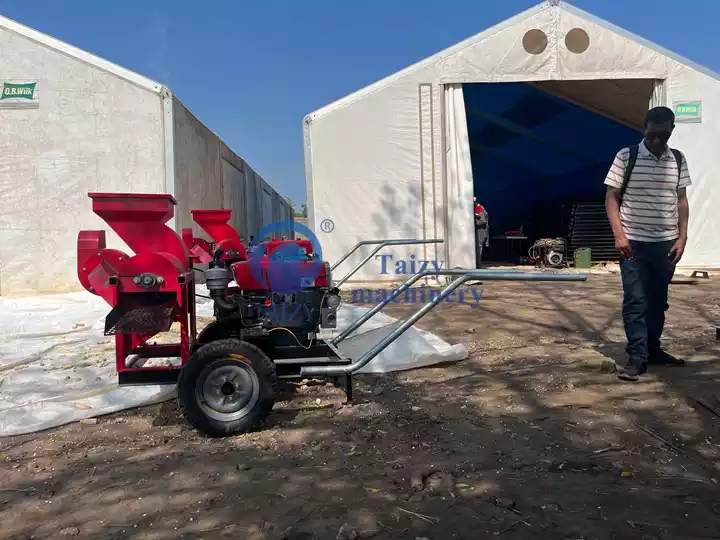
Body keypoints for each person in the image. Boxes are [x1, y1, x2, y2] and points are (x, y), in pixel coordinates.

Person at [604, 106, 691, 382]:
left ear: (671, 131)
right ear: (644, 129)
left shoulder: (677, 160)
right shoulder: (626, 156)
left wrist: (682, 237)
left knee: (658, 302)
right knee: (636, 300)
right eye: (652, 135)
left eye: (663, 136)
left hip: (665, 244)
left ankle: (653, 349)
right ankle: (637, 357)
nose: (657, 141)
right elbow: (611, 197)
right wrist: (619, 234)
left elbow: (681, 200)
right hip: (633, 244)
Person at [474, 197, 489, 267]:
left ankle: (478, 264)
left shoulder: (478, 207)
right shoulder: (477, 207)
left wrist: (474, 224)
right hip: (479, 229)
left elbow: (483, 220)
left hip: (481, 230)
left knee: (479, 246)